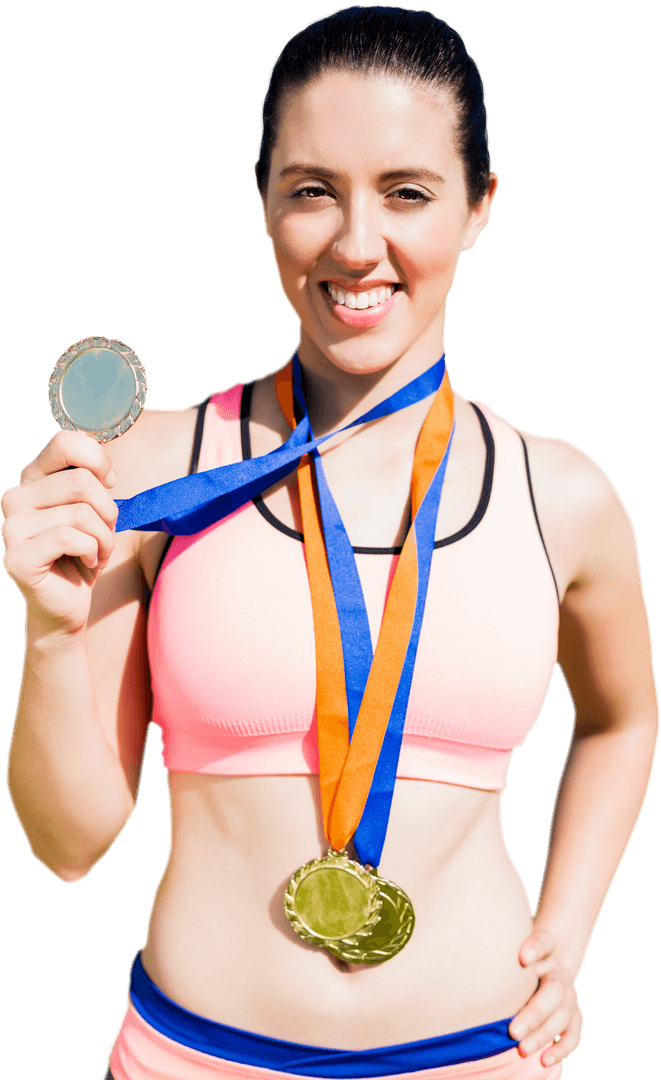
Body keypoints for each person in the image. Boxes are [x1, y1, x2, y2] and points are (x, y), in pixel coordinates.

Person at [2, 6, 657, 1079]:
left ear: (480, 206)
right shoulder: (149, 474)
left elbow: (623, 718)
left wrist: (570, 930)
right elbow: (70, 847)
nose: (358, 243)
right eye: (312, 189)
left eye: (408, 192)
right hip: (192, 1060)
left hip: (482, 1058)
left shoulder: (563, 495)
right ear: (262, 201)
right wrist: (43, 630)